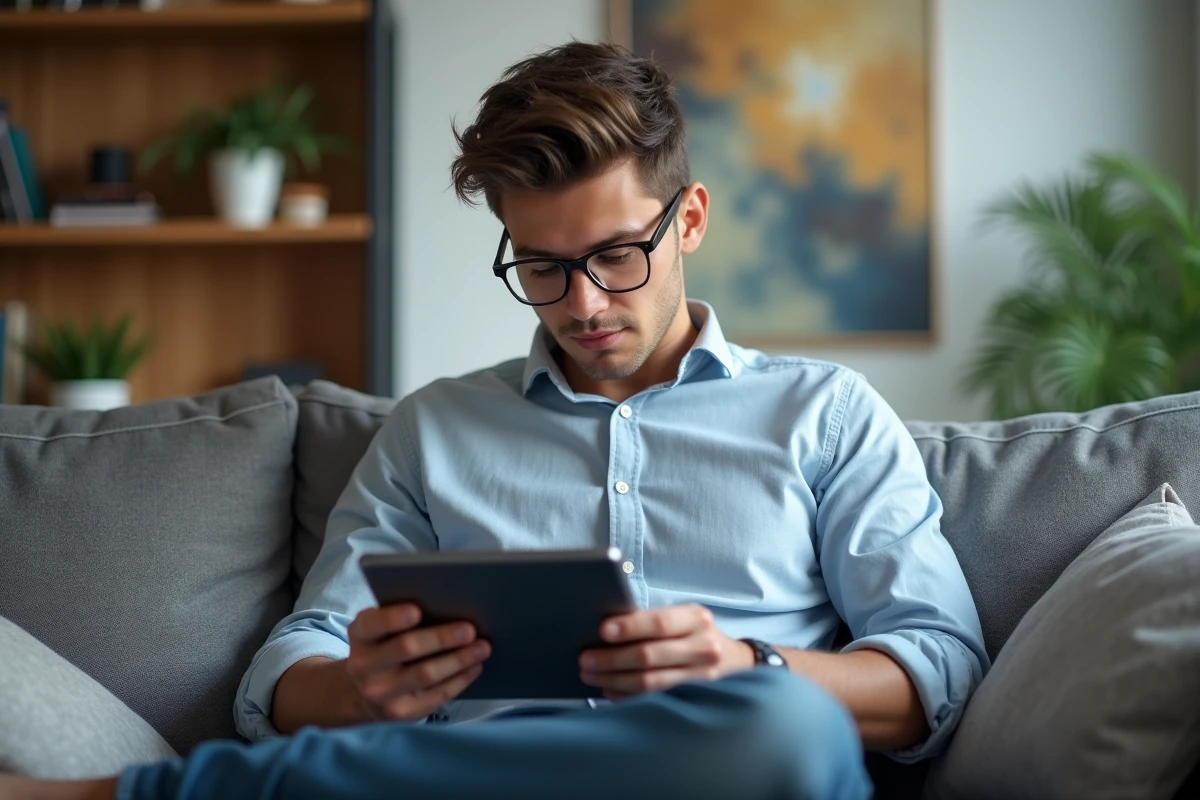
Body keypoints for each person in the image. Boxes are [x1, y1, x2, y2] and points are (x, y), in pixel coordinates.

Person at [0, 41, 986, 800]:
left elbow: (936, 667)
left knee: (786, 725)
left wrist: (747, 662)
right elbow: (290, 669)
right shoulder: (436, 429)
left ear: (687, 220)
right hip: (473, 766)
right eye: (543, 268)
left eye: (616, 256)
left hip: (734, 762)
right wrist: (359, 688)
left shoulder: (827, 412)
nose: (586, 303)